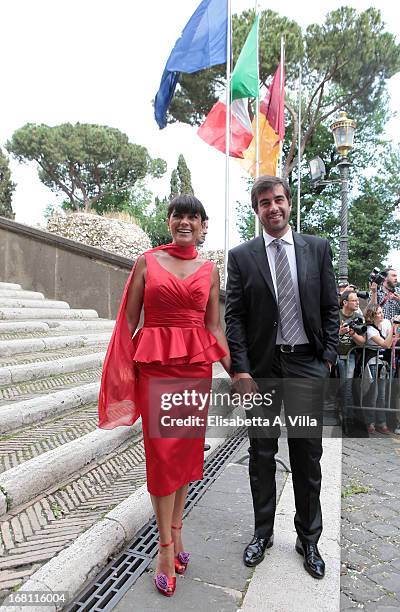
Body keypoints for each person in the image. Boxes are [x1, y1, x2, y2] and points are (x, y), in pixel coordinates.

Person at [98, 195, 231, 597]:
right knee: (161, 457)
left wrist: (236, 371)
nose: (185, 222)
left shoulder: (210, 271)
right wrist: (122, 373)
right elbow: (128, 320)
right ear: (169, 221)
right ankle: (164, 548)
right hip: (155, 369)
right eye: (179, 215)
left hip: (194, 372)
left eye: (193, 216)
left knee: (187, 455)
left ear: (203, 224)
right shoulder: (146, 262)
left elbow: (215, 328)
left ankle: (178, 531)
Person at [225, 175, 339, 580]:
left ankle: (309, 539)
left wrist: (326, 357)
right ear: (256, 211)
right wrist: (240, 368)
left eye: (278, 200)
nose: (272, 208)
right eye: (263, 203)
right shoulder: (241, 257)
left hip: (307, 364)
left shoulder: (317, 249)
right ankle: (262, 533)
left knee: (308, 456)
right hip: (262, 371)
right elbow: (234, 317)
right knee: (260, 455)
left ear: (289, 204)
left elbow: (331, 306)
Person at [362, 304, 400, 434]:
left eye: (382, 312)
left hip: (383, 363)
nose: (382, 314)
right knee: (373, 394)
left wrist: (393, 330)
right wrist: (393, 330)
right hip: (373, 363)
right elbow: (386, 344)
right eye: (378, 312)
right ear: (372, 316)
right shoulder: (370, 330)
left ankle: (381, 422)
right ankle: (370, 422)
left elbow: (392, 340)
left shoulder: (384, 324)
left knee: (382, 396)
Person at [337, 291, 366, 433]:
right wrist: (340, 332)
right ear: (345, 302)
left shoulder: (359, 317)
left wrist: (352, 333)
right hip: (332, 356)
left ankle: (347, 420)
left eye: (357, 300)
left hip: (349, 357)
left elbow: (362, 342)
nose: (357, 302)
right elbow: (326, 336)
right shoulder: (335, 315)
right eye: (354, 300)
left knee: (347, 388)